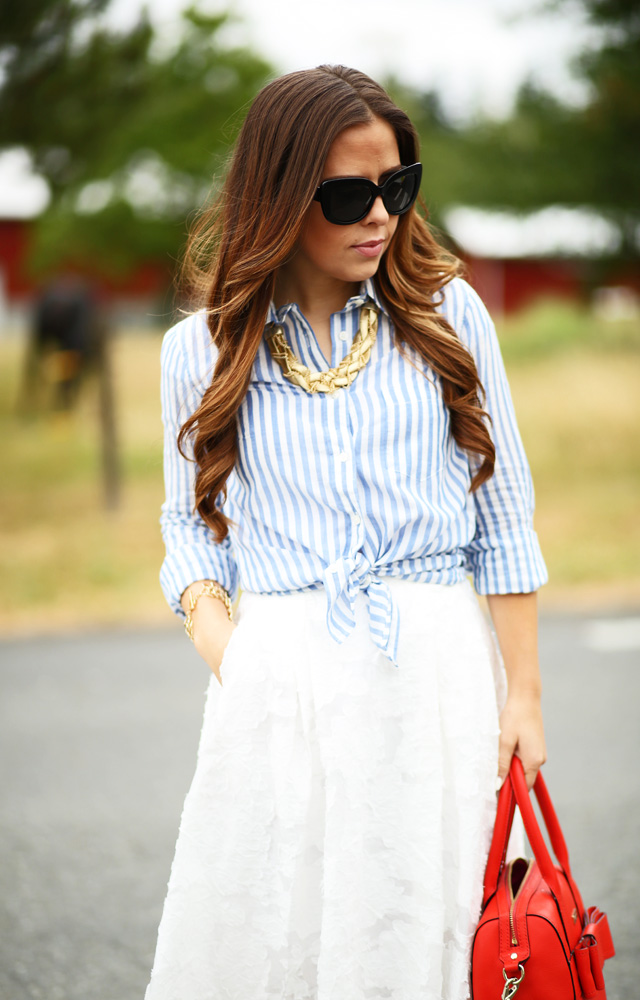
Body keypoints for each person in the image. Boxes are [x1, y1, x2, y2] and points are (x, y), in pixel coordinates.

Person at [145, 65, 548, 1000]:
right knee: (286, 939)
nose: (381, 215)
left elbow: (503, 512)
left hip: (442, 674)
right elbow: (190, 536)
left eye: (397, 187)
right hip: (278, 685)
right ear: (281, 196)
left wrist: (522, 697)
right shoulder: (197, 352)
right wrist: (244, 667)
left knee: (448, 936)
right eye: (347, 195)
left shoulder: (450, 315)